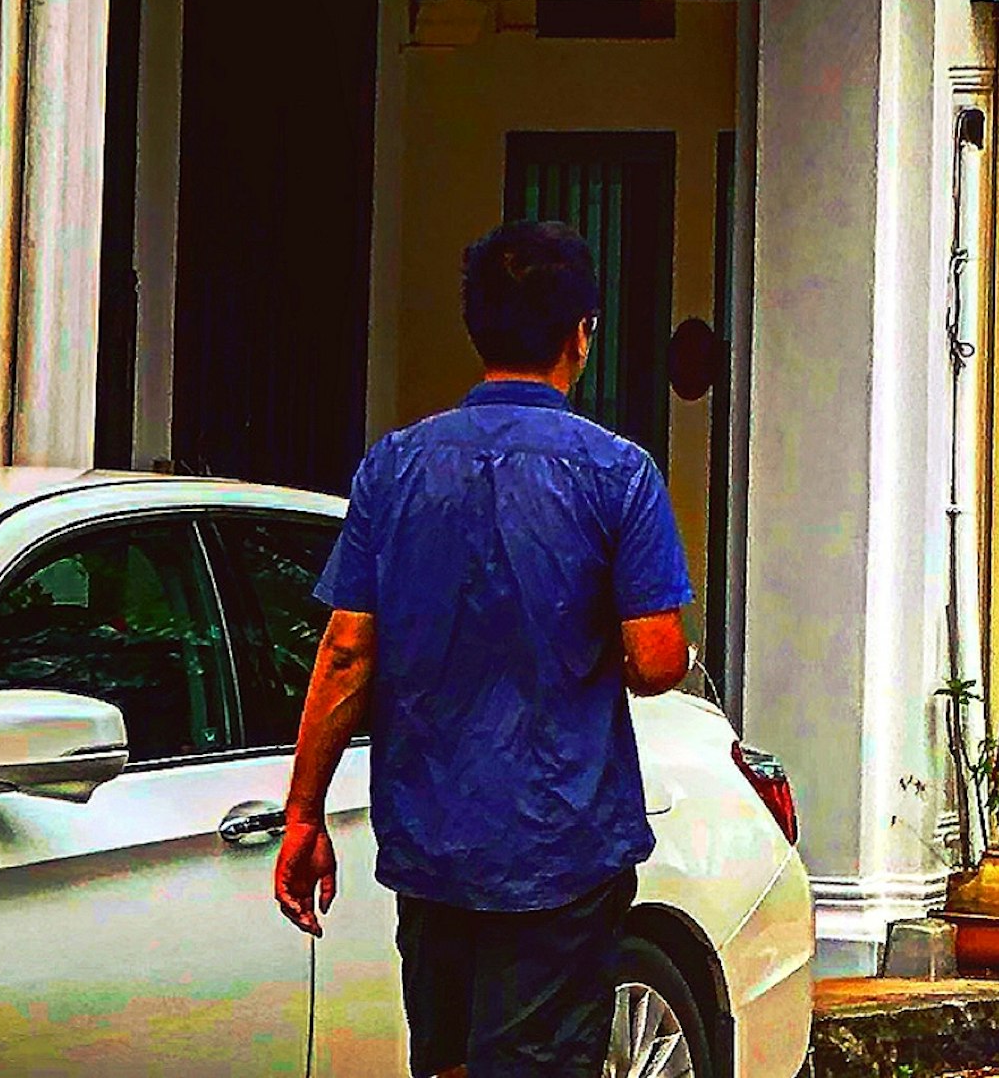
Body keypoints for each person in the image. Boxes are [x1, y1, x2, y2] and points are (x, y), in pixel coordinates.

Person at [277, 219, 695, 1078]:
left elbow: (348, 654)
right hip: (562, 845)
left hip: (433, 843)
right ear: (583, 333)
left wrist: (304, 815)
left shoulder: (393, 467)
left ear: (477, 329)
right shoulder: (618, 473)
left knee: (446, 1060)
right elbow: (657, 659)